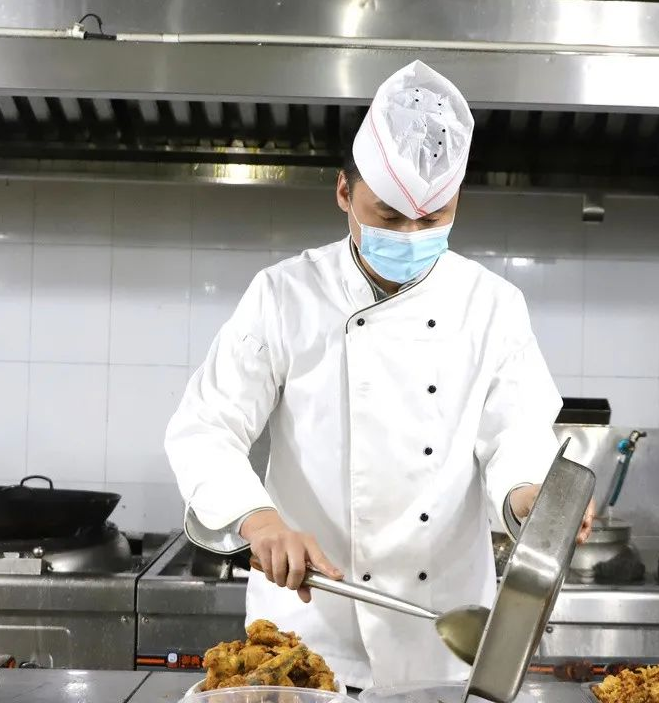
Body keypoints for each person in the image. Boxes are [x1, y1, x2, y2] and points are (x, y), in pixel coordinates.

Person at [165, 60, 594, 689]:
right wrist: (260, 521)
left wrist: (530, 497)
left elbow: (517, 434)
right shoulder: (285, 295)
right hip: (308, 630)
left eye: (434, 217)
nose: (412, 235)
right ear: (344, 192)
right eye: (390, 217)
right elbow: (206, 427)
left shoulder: (492, 305)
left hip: (441, 633)